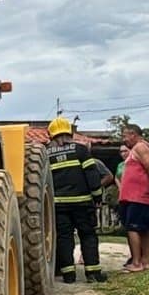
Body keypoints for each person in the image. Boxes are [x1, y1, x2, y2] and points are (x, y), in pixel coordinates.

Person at [46, 117, 106, 283]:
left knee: (64, 238)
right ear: (70, 132)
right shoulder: (81, 150)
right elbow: (92, 174)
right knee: (88, 235)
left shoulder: (46, 154)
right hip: (83, 203)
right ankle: (93, 273)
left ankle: (68, 275)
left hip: (58, 205)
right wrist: (97, 196)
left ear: (51, 135)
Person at [118, 125, 149, 271]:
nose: (124, 140)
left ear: (133, 134)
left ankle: (137, 262)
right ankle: (144, 261)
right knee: (144, 229)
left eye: (125, 136)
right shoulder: (139, 148)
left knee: (134, 228)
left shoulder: (140, 147)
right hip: (137, 197)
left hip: (138, 196)